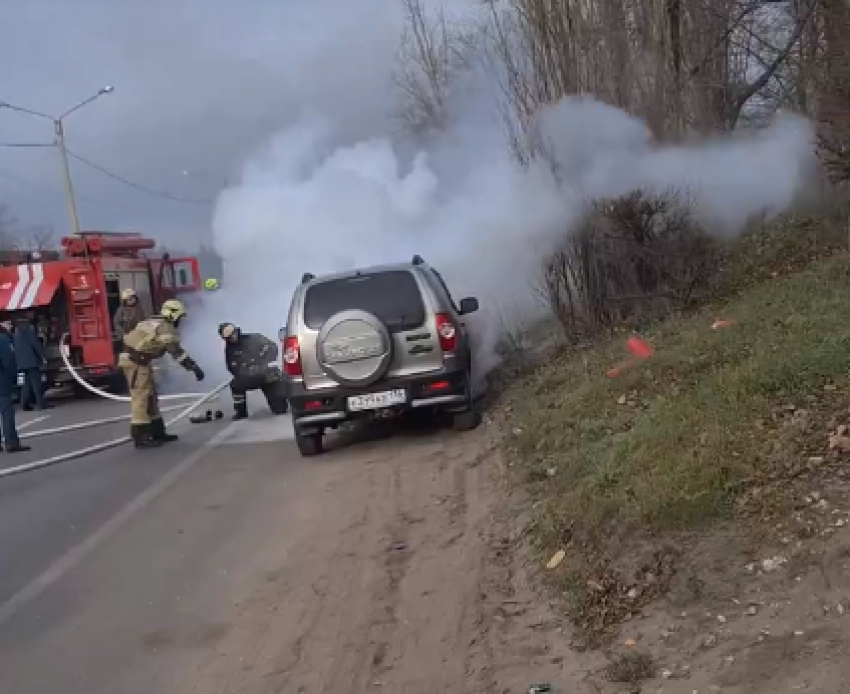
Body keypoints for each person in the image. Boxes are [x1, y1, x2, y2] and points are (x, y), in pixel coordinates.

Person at [119, 299, 205, 449]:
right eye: (179, 317)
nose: (179, 321)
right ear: (172, 315)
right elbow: (175, 351)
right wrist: (193, 367)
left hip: (140, 360)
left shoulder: (151, 321)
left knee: (151, 397)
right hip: (136, 362)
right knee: (140, 398)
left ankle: (157, 432)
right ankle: (141, 437)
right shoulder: (165, 327)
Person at [219, 322, 288, 420]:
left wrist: (263, 362)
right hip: (249, 378)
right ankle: (241, 411)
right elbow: (231, 367)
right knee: (235, 384)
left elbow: (273, 347)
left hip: (268, 376)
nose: (232, 338)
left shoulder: (254, 339)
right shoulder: (229, 350)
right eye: (229, 337)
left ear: (237, 331)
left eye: (233, 334)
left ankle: (285, 397)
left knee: (280, 410)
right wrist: (245, 372)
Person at [0, 318, 30, 453]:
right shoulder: (2, 340)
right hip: (1, 383)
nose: (9, 326)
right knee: (7, 413)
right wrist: (15, 379)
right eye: (7, 323)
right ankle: (11, 442)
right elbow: (8, 362)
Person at [13, 311, 52, 411]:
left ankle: (25, 405)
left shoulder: (17, 329)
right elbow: (35, 343)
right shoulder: (29, 328)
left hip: (21, 363)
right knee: (36, 383)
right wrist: (43, 356)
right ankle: (41, 404)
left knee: (25, 385)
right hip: (31, 362)